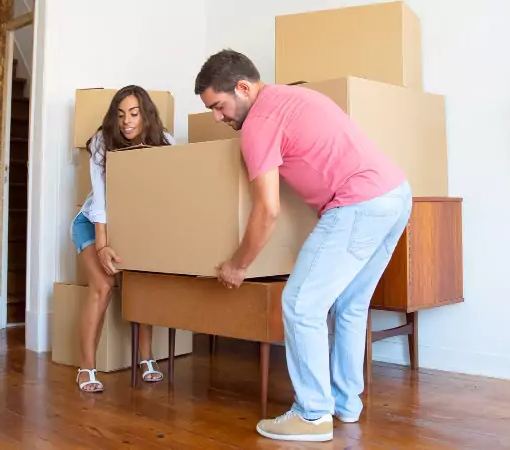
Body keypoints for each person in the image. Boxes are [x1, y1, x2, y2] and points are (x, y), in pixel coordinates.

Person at [195, 50, 413, 442]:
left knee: (300, 303)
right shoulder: (294, 98)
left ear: (243, 88)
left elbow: (268, 210)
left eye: (219, 105)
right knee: (350, 305)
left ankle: (312, 415)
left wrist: (238, 264)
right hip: (395, 194)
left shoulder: (259, 124)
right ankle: (346, 403)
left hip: (359, 202)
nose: (217, 116)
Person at [71, 85, 175, 392]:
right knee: (103, 288)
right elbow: (101, 199)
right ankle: (86, 368)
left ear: (146, 115)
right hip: (93, 223)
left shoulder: (164, 141)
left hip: (135, 225)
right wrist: (102, 245)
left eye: (133, 113)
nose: (126, 121)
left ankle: (146, 358)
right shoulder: (103, 141)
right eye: (120, 115)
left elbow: (172, 190)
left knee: (142, 285)